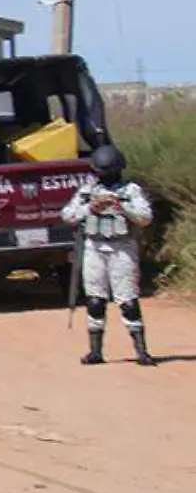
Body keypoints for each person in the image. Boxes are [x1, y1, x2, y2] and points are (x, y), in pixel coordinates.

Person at [62, 144, 156, 366]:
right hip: (94, 247)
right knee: (95, 300)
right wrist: (91, 208)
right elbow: (68, 215)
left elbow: (145, 217)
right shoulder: (87, 191)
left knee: (128, 300)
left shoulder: (130, 190)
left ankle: (141, 351)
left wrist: (122, 208)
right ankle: (95, 351)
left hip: (122, 248)